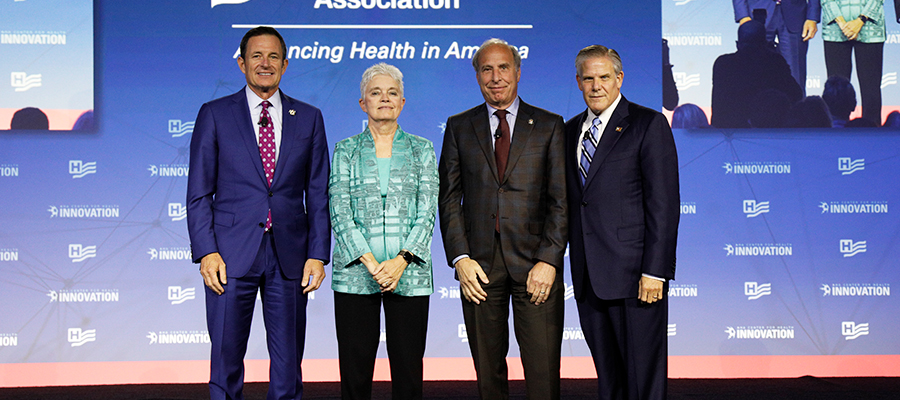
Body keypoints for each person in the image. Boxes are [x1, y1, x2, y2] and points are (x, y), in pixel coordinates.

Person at [186, 26, 330, 400]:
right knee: (225, 359)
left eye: (273, 57)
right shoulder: (215, 114)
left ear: (285, 64)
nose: (265, 64)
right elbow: (199, 192)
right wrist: (206, 251)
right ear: (241, 63)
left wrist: (317, 254)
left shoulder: (309, 117)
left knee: (287, 366)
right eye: (256, 56)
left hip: (290, 257)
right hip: (229, 256)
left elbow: (317, 193)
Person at [438, 38, 567, 400]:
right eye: (487, 69)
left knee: (542, 373)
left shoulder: (549, 125)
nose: (496, 77)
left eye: (503, 68)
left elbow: (560, 200)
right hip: (478, 268)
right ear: (477, 76)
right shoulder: (459, 126)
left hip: (535, 268)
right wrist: (460, 259)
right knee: (488, 375)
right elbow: (448, 198)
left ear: (518, 72)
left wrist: (549, 260)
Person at [565, 45, 680, 400]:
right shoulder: (568, 132)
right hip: (588, 278)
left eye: (604, 77)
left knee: (643, 381)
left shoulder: (647, 124)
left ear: (619, 79)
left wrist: (656, 271)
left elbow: (663, 204)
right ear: (579, 82)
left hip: (636, 277)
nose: (596, 86)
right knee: (609, 381)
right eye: (588, 78)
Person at [329, 63, 438, 400]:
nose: (384, 99)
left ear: (402, 103)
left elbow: (428, 210)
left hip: (410, 273)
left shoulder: (423, 149)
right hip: (356, 273)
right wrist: (371, 262)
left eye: (392, 93)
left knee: (408, 372)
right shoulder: (346, 150)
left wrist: (400, 261)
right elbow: (339, 210)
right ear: (363, 103)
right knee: (355, 371)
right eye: (376, 93)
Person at [711, 20, 803, 128]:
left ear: (738, 44)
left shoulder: (723, 63)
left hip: (729, 133)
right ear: (765, 43)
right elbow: (796, 95)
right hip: (769, 132)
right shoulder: (774, 62)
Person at [821, 0, 886, 125]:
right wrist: (841, 22)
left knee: (871, 92)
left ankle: (872, 136)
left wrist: (860, 20)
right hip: (835, 29)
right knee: (836, 91)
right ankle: (836, 133)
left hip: (871, 29)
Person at [733, 0, 821, 91]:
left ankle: (796, 105)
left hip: (795, 14)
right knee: (754, 75)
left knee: (795, 76)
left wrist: (812, 17)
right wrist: (743, 15)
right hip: (756, 13)